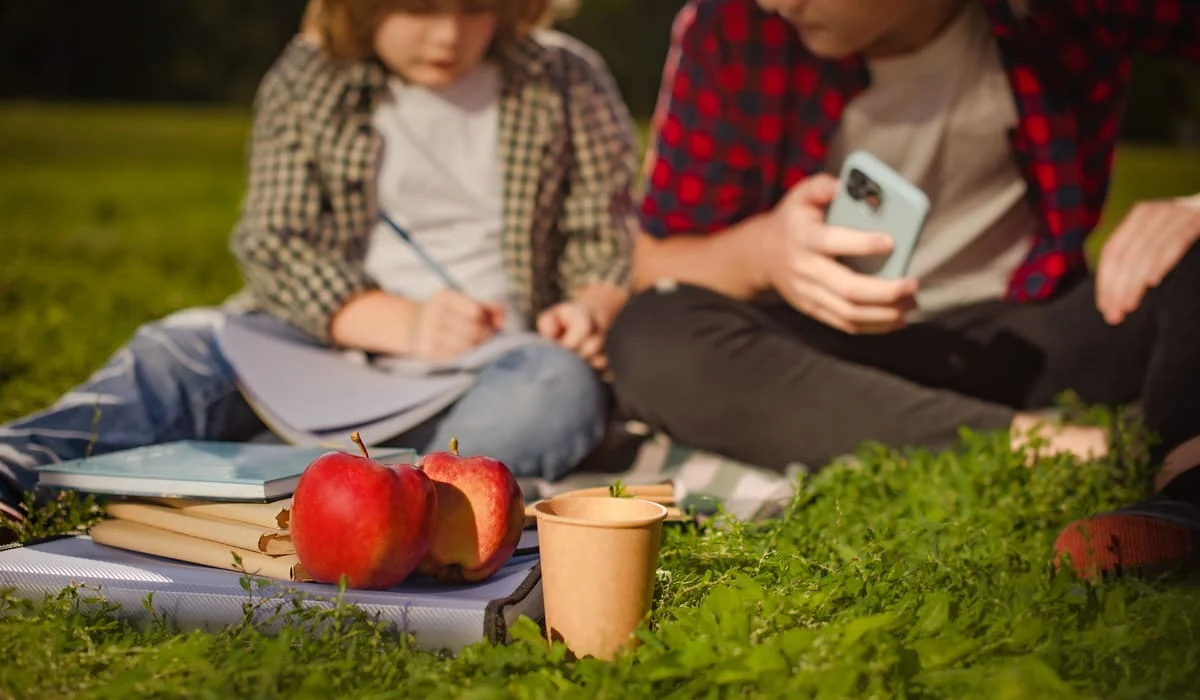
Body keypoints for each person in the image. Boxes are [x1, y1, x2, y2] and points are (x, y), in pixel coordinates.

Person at [0, 0, 639, 542]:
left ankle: (368, 509)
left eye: (475, 5)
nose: (448, 33)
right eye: (418, 7)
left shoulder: (564, 77)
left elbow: (604, 233)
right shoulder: (312, 74)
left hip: (492, 368)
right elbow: (275, 241)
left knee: (558, 390)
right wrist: (407, 323)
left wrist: (588, 310)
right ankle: (18, 469)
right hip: (311, 348)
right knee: (178, 349)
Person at [606, 0, 1200, 577]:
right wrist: (763, 253)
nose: (777, 3)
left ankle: (1181, 494)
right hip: (825, 357)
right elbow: (657, 261)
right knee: (649, 334)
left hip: (1036, 332)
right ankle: (1050, 443)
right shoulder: (732, 25)